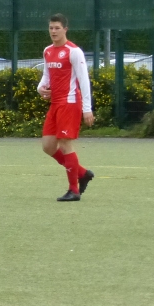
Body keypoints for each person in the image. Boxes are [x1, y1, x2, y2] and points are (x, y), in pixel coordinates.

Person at [38, 14, 95, 202]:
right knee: (48, 146)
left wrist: (87, 108)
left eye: (57, 28)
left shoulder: (74, 51)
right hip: (55, 103)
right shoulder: (47, 51)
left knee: (64, 144)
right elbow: (46, 76)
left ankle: (74, 190)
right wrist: (40, 88)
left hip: (69, 102)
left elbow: (84, 80)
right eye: (51, 28)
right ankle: (82, 173)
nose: (53, 31)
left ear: (65, 29)